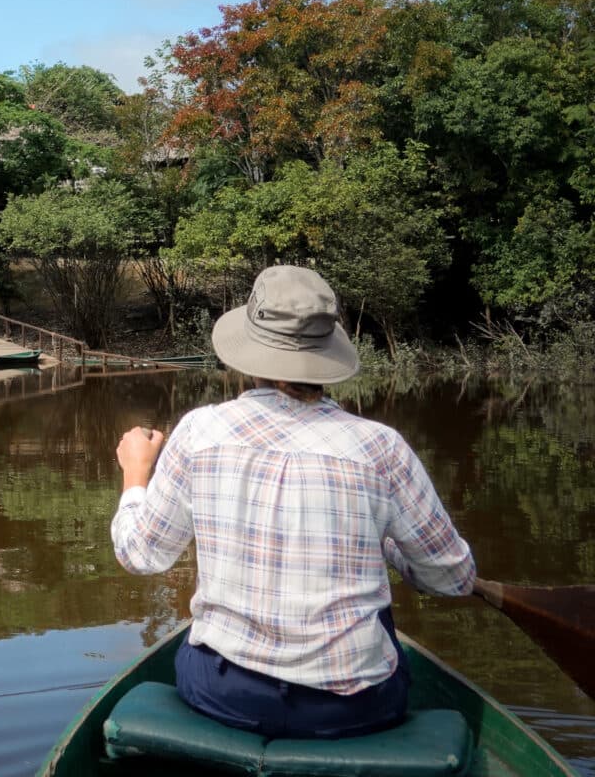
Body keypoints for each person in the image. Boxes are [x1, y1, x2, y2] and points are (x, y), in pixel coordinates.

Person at [110, 265, 475, 739]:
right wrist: (390, 548)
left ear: (249, 354)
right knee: (379, 618)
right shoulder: (381, 449)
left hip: (222, 693)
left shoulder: (200, 433)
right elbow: (453, 578)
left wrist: (136, 473)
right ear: (327, 355)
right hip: (353, 709)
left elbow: (141, 555)